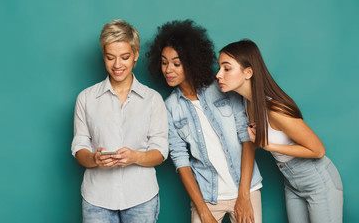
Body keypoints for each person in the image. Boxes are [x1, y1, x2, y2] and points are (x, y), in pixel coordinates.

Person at [147, 20, 263, 223]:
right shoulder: (170, 107)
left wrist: (244, 195)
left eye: (176, 63)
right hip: (207, 197)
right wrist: (202, 211)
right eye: (164, 62)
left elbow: (247, 139)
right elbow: (181, 162)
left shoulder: (222, 88)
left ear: (191, 61)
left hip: (245, 188)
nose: (168, 69)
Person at [216, 39, 343, 223]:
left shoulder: (274, 108)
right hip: (291, 183)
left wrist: (268, 145)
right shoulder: (247, 102)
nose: (218, 74)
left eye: (226, 68)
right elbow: (251, 146)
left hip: (318, 180)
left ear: (248, 72)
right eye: (219, 67)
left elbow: (318, 150)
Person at [71, 19, 168, 223]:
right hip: (97, 198)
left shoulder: (153, 99)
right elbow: (80, 148)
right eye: (110, 57)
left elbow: (160, 152)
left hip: (141, 197)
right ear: (103, 56)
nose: (117, 65)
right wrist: (94, 159)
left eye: (124, 57)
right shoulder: (86, 98)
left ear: (135, 55)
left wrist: (135, 157)